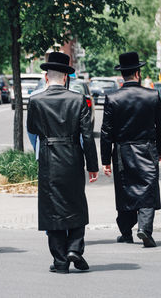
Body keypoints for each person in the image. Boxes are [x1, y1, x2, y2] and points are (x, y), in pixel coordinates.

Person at [27, 52, 99, 273]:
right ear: (66, 77)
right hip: (73, 156)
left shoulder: (36, 101)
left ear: (47, 77)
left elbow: (32, 129)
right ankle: (75, 249)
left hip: (49, 157)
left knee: (52, 208)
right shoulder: (78, 100)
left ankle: (60, 261)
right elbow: (87, 135)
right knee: (77, 203)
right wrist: (93, 166)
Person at [101, 52, 161, 247]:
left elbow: (106, 131)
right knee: (148, 188)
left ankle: (126, 232)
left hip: (122, 151)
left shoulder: (112, 98)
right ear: (138, 74)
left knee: (124, 190)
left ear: (123, 75)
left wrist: (105, 160)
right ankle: (144, 229)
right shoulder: (152, 95)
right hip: (146, 148)